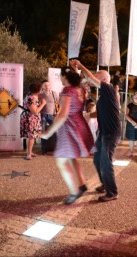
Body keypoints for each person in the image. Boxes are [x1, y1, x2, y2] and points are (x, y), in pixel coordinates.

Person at [71, 59, 121, 202]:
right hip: (104, 132)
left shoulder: (109, 89)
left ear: (104, 78)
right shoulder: (105, 95)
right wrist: (86, 115)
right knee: (97, 160)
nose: (95, 75)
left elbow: (90, 78)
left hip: (111, 133)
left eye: (98, 74)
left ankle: (112, 192)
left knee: (105, 162)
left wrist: (80, 65)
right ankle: (105, 185)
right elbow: (98, 113)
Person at [41, 67, 94, 205]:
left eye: (61, 76)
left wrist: (49, 132)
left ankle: (74, 191)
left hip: (70, 128)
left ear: (65, 77)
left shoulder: (67, 91)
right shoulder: (81, 89)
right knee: (71, 158)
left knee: (62, 161)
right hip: (80, 125)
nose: (60, 79)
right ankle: (81, 185)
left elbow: (63, 114)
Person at [20, 83, 46, 160]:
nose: (42, 90)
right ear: (37, 90)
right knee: (31, 136)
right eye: (41, 89)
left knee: (33, 136)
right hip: (31, 119)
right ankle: (28, 154)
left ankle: (30, 152)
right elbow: (35, 111)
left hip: (32, 118)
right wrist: (43, 104)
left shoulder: (32, 96)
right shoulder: (31, 98)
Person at [39, 80, 59, 155]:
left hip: (52, 115)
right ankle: (44, 149)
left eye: (48, 85)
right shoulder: (40, 95)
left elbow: (58, 104)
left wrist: (57, 113)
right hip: (43, 115)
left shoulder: (54, 94)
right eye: (45, 85)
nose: (47, 87)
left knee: (55, 131)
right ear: (43, 87)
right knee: (43, 132)